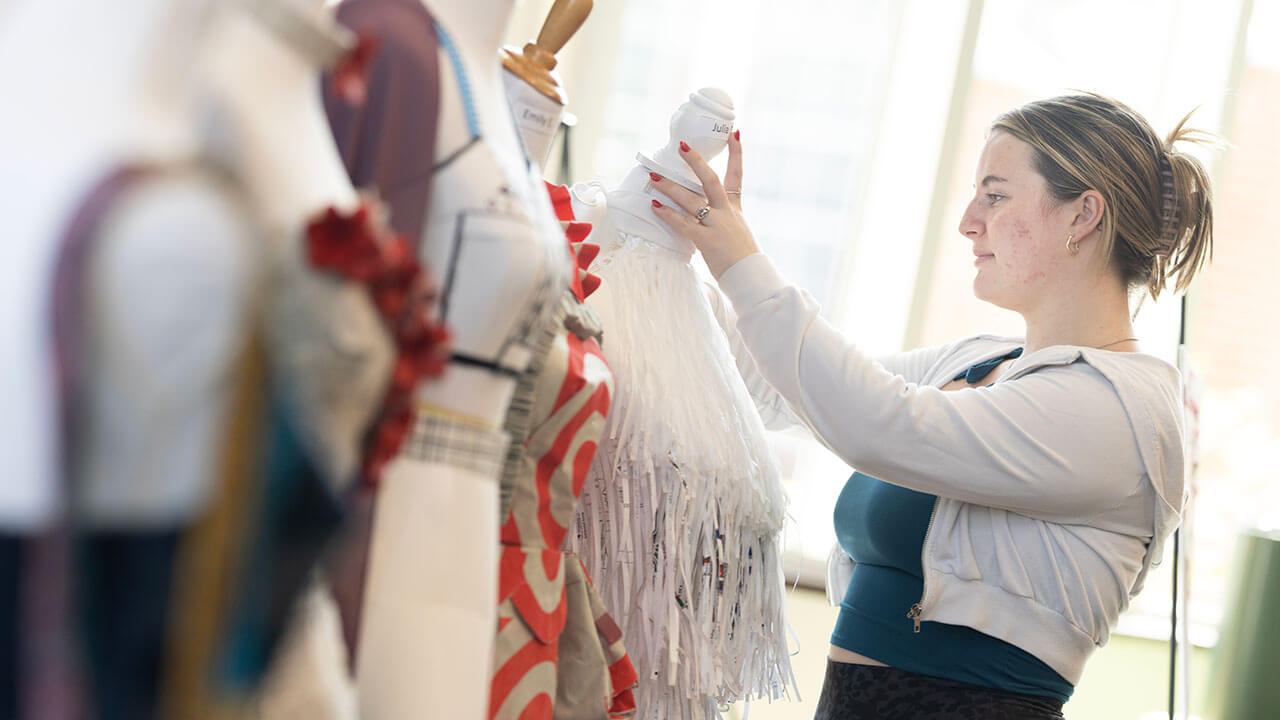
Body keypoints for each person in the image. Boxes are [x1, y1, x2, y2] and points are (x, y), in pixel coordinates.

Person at [646, 93, 1214, 719]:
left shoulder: (1114, 411)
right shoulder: (979, 362)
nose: (969, 221)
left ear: (1083, 214)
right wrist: (685, 251)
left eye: (995, 196)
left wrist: (742, 262)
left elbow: (875, 423)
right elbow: (781, 388)